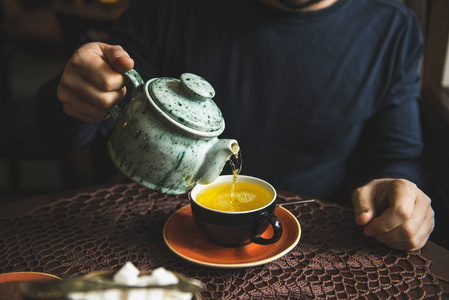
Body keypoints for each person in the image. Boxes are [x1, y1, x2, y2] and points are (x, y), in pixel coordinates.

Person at [36, 0, 435, 251]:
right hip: (142, 234)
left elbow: (397, 154)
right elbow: (81, 127)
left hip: (307, 242)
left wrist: (401, 194)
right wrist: (74, 94)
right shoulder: (170, 8)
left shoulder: (391, 26)